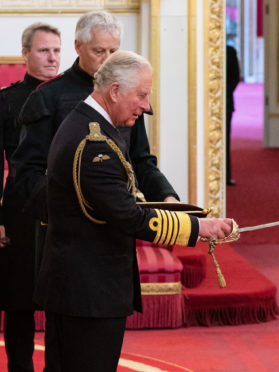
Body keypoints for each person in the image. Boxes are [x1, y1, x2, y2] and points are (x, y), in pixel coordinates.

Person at [33, 50, 234, 372]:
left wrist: (178, 210)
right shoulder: (93, 143)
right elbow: (128, 215)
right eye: (141, 95)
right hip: (88, 291)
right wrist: (199, 229)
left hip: (80, 285)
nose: (146, 105)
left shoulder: (91, 126)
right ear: (114, 91)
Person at [12, 10, 179, 237]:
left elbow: (140, 161)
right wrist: (64, 213)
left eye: (113, 51)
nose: (107, 59)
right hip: (65, 230)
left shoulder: (128, 95)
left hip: (117, 221)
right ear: (78, 46)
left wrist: (166, 197)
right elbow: (27, 174)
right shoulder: (48, 97)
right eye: (99, 51)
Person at [0, 22, 61, 372]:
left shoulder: (74, 96)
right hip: (19, 212)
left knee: (61, 303)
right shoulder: (7, 101)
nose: (52, 57)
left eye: (56, 50)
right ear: (25, 54)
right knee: (18, 303)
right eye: (43, 50)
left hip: (63, 210)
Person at [226, 44, 240, 186]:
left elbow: (235, 77)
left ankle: (226, 175)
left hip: (226, 102)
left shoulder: (230, 51)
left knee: (225, 140)